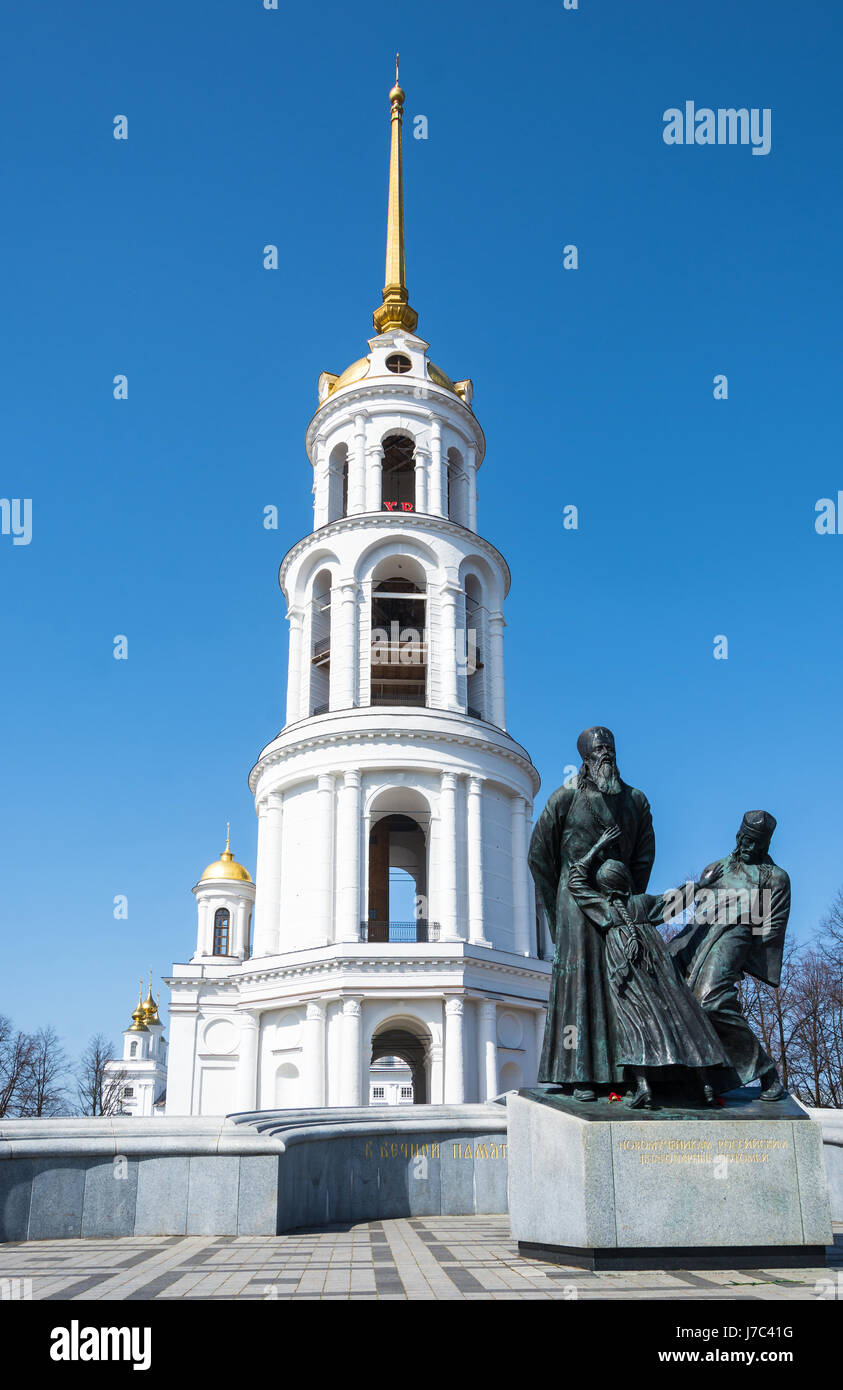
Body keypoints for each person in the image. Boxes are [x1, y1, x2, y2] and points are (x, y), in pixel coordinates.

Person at [528, 726, 655, 1100]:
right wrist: (559, 907)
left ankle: (630, 1071)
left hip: (618, 901)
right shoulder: (565, 798)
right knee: (580, 988)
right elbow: (539, 855)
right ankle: (579, 1072)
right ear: (585, 756)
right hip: (576, 905)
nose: (606, 755)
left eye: (610, 748)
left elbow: (644, 855)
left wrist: (628, 896)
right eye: (598, 750)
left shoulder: (636, 800)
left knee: (627, 984)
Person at [566, 827, 730, 1107]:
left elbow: (575, 881)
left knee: (633, 1024)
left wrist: (596, 847)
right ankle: (705, 1084)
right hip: (655, 962)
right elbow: (675, 900)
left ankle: (644, 1087)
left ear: (604, 887)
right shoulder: (642, 903)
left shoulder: (604, 908)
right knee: (682, 1015)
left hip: (625, 966)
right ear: (627, 882)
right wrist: (701, 885)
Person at [669, 810, 791, 1101]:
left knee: (710, 1002)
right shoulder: (717, 868)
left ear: (765, 845)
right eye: (745, 840)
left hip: (736, 936)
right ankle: (699, 1078)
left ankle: (765, 1070)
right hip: (699, 934)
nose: (749, 847)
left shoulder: (774, 878)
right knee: (665, 989)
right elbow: (696, 909)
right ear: (738, 836)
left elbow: (772, 928)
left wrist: (738, 956)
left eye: (756, 843)